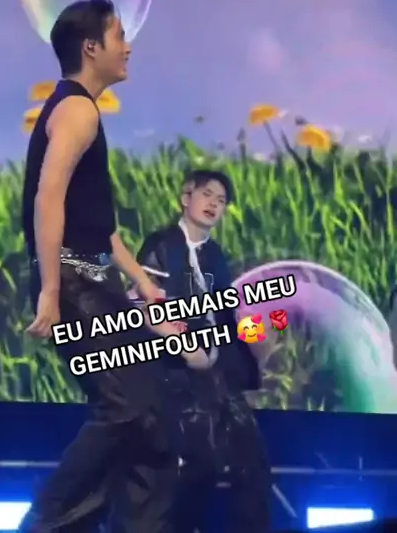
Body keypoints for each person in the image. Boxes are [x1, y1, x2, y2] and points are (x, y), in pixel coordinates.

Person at [19, 0, 178, 533]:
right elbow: (47, 198)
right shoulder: (77, 110)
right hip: (74, 286)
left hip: (92, 282)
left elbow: (97, 223)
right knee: (126, 408)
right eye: (119, 36)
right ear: (92, 48)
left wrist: (141, 282)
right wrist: (49, 290)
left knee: (152, 421)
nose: (127, 47)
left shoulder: (82, 109)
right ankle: (44, 522)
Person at [136, 169, 273, 533]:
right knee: (200, 464)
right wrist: (185, 348)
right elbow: (142, 308)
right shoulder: (161, 245)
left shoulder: (215, 255)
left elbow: (228, 314)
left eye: (221, 200)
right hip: (174, 372)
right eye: (207, 194)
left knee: (253, 463)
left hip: (217, 372)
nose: (214, 204)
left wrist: (255, 341)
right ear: (186, 198)